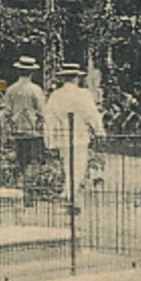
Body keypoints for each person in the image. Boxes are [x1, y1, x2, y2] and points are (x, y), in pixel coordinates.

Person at [45, 62, 105, 205]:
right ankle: (70, 195)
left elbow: (49, 118)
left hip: (63, 135)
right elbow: (92, 114)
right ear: (76, 78)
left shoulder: (56, 95)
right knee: (79, 165)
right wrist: (99, 131)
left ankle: (67, 192)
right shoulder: (83, 94)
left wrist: (50, 139)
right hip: (79, 135)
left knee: (68, 164)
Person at [5, 56, 46, 188]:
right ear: (32, 73)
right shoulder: (35, 89)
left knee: (19, 159)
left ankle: (18, 185)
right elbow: (42, 111)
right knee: (33, 161)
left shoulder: (11, 89)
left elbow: (7, 111)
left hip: (16, 130)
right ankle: (28, 188)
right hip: (32, 130)